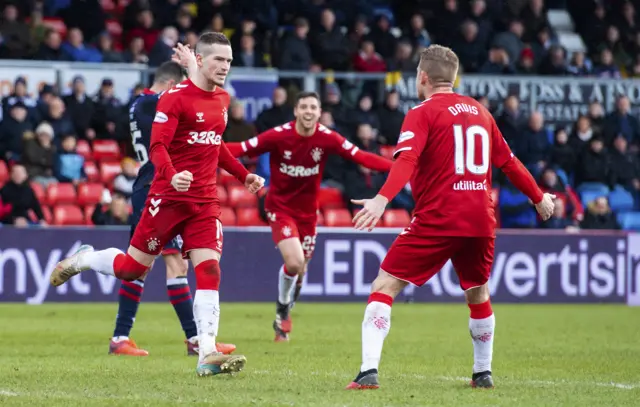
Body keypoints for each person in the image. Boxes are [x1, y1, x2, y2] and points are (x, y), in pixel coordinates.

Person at [50, 32, 265, 377]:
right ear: (200, 58)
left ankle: (206, 352)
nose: (225, 67)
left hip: (204, 202)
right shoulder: (174, 99)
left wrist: (243, 176)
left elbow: (216, 144)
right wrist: (173, 173)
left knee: (209, 269)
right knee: (132, 270)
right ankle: (85, 258)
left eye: (229, 60)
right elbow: (157, 148)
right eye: (218, 60)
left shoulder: (223, 99)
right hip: (165, 199)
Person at [344, 45, 555, 390]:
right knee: (478, 292)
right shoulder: (480, 112)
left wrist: (382, 200)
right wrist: (539, 197)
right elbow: (510, 163)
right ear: (453, 78)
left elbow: (407, 161)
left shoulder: (422, 112)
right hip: (480, 218)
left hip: (439, 215)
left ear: (423, 77)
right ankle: (483, 373)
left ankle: (368, 371)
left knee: (384, 286)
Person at [227, 91, 393, 342]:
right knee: (293, 263)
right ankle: (282, 312)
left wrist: (400, 168)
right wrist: (203, 148)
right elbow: (240, 149)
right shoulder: (279, 135)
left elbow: (361, 157)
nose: (308, 111)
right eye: (303, 106)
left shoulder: (327, 138)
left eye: (313, 107)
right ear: (296, 111)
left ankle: (283, 311)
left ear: (319, 113)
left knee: (301, 272)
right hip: (280, 207)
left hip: (307, 214)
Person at [108, 60, 234, 357]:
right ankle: (126, 336)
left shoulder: (146, 104)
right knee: (144, 268)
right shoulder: (148, 103)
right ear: (170, 85)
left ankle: (192, 339)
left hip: (168, 188)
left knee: (168, 266)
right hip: (159, 189)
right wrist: (195, 69)